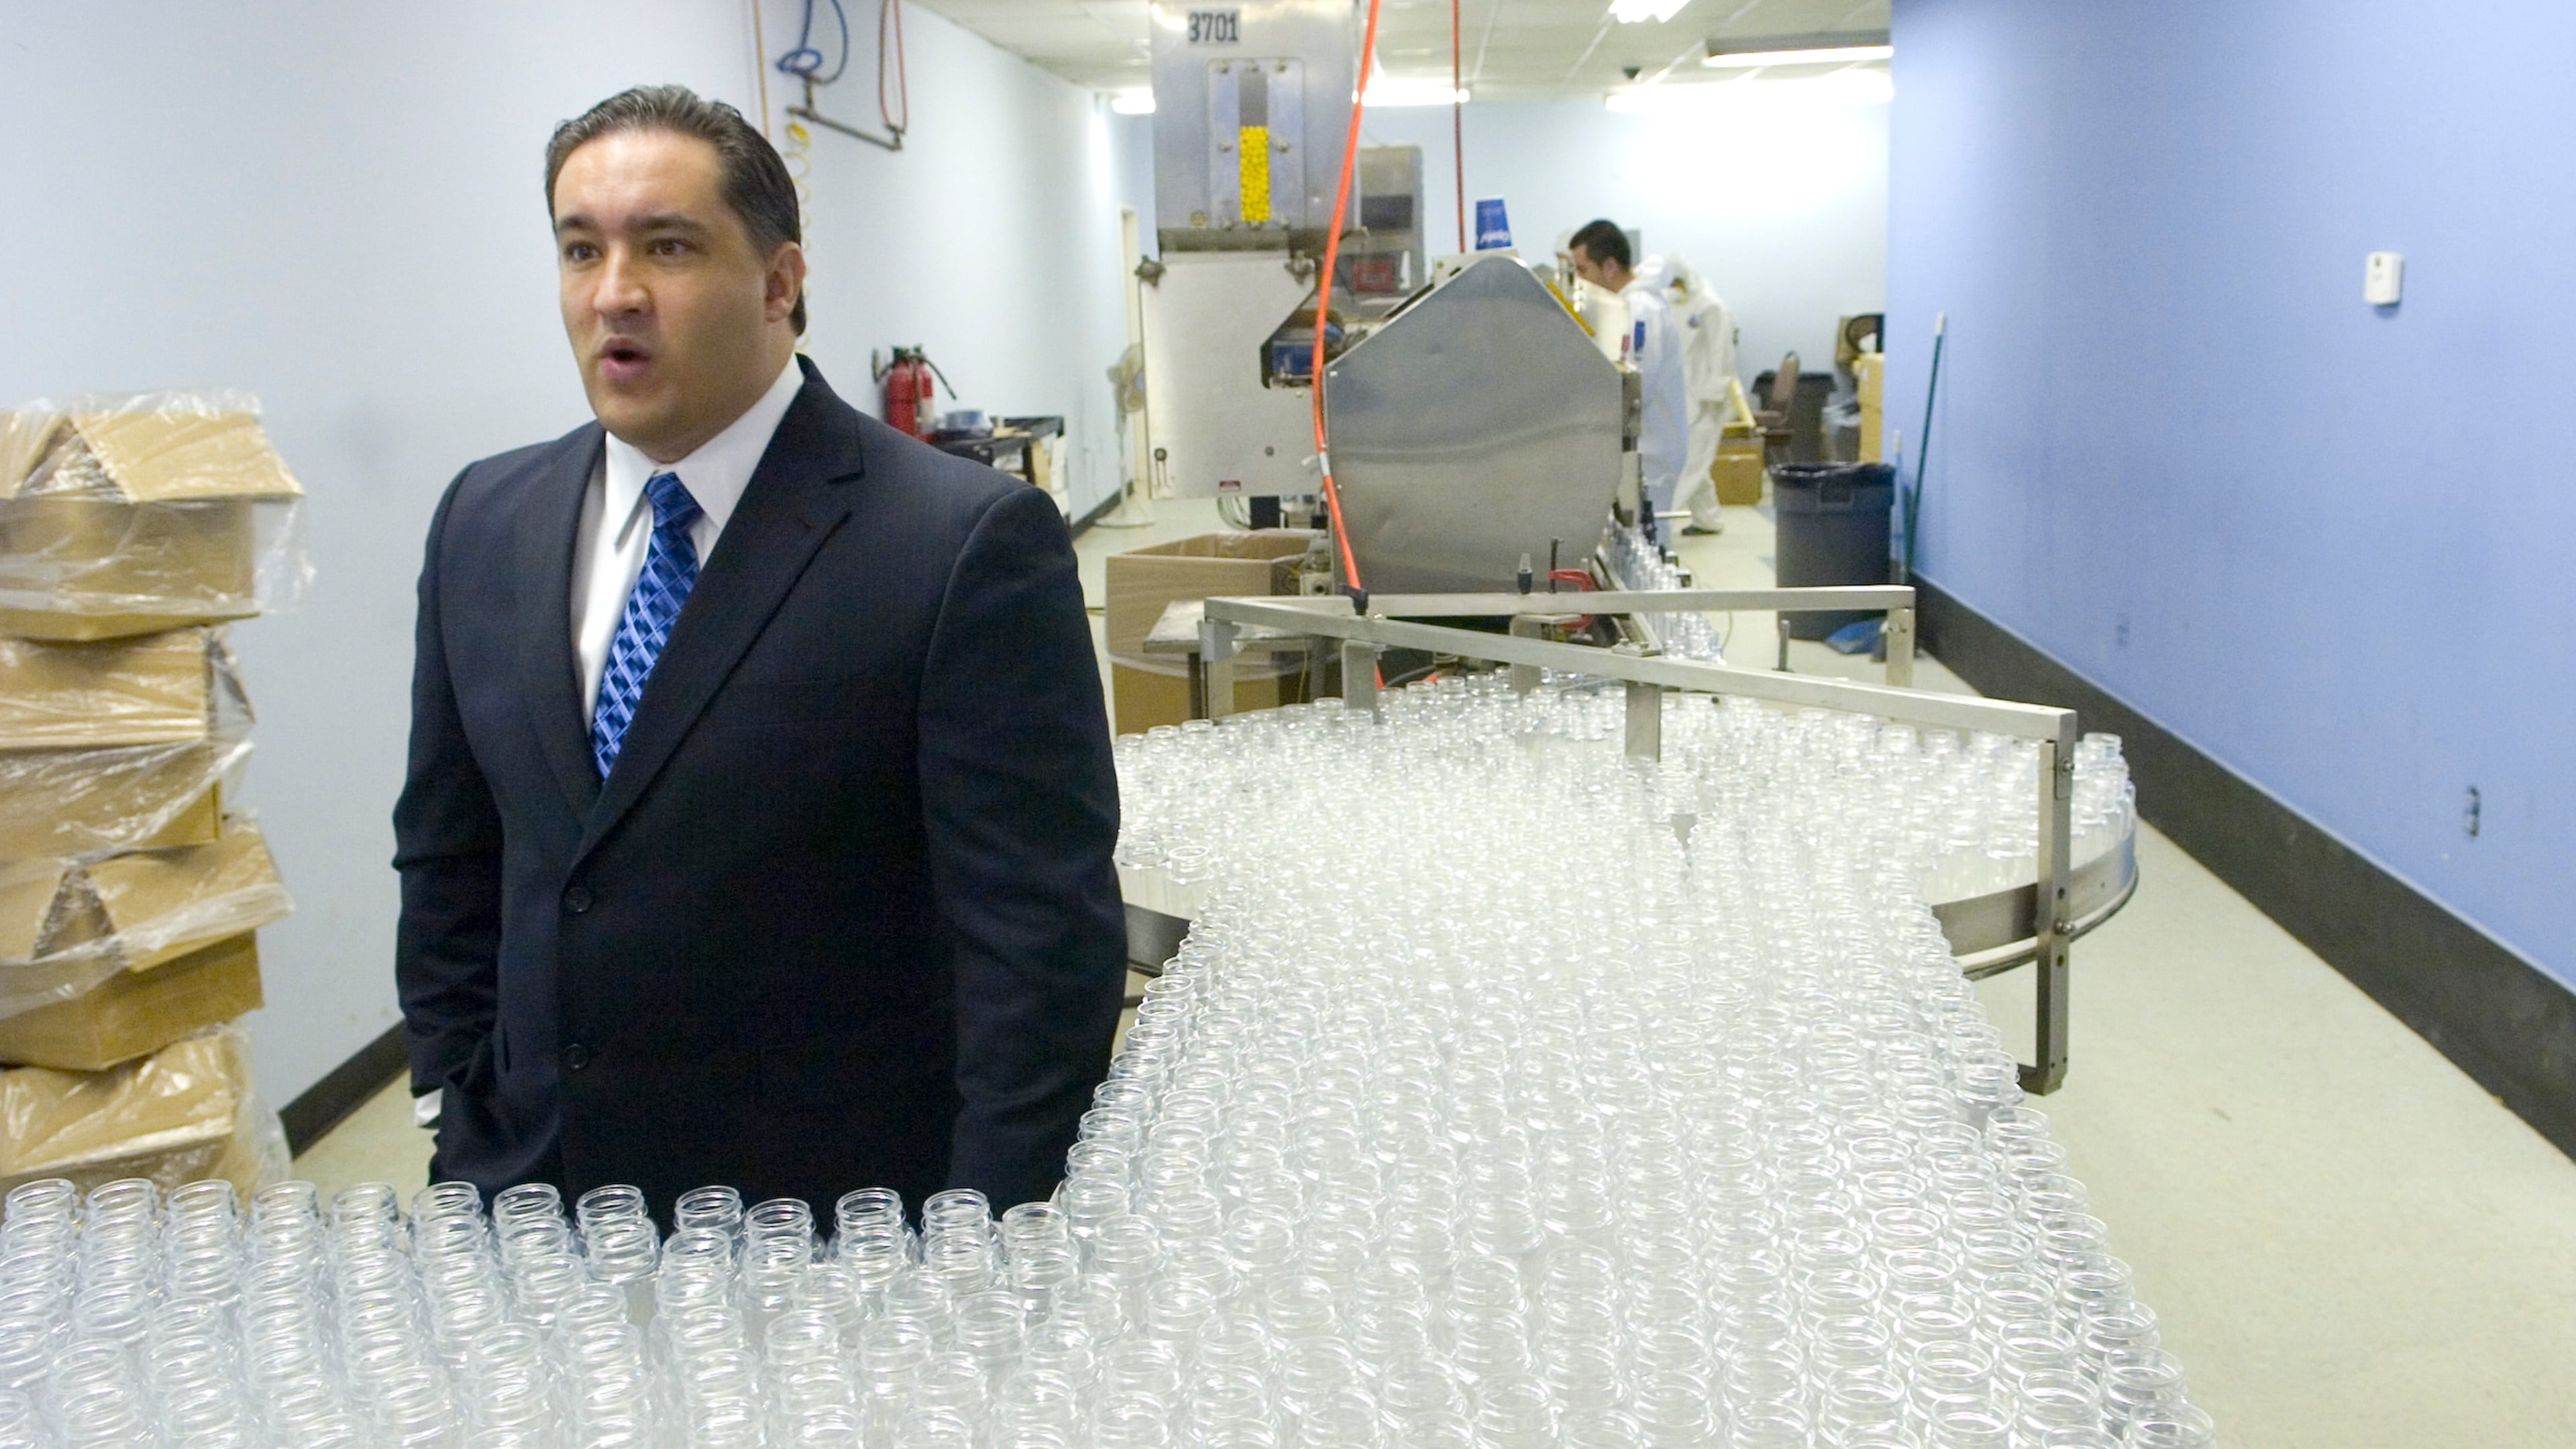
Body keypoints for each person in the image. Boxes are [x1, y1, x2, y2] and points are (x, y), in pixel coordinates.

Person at [392, 85, 1126, 1220]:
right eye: (580, 249)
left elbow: (1039, 949)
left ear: (782, 283)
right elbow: (450, 854)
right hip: (534, 1209)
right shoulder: (487, 520)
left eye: (668, 247)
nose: (614, 294)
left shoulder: (955, 544)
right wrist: (453, 1101)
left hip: (826, 1238)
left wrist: (989, 1244)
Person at [1568, 219, 1693, 539]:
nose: (1580, 281)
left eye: (1583, 270)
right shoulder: (1625, 305)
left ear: (1609, 266)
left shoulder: (1642, 311)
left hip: (1652, 450)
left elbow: (1637, 386)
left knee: (1648, 544)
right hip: (1643, 447)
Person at [1631, 253, 1739, 536]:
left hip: (1705, 399)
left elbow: (1722, 353)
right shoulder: (1671, 303)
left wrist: (1713, 394)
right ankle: (1709, 519)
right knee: (1695, 462)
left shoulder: (1710, 306)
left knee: (1690, 465)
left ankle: (1661, 523)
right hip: (1683, 394)